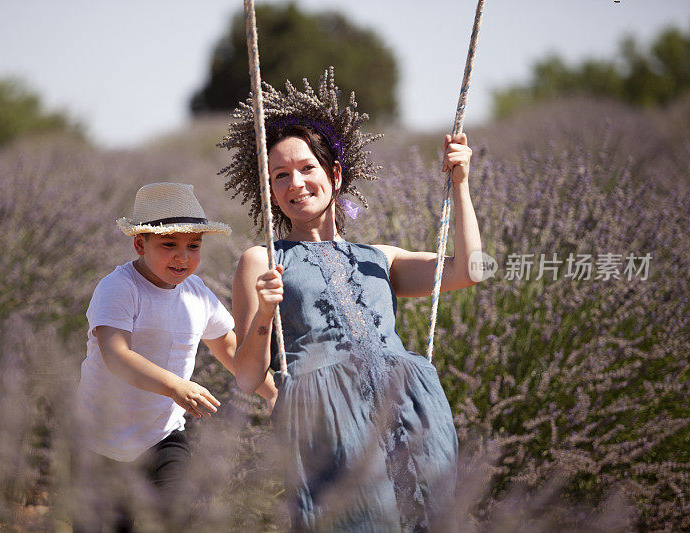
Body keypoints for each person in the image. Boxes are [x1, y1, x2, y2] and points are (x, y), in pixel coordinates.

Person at [221, 68, 482, 531]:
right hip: (325, 419)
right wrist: (264, 313)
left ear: (334, 173)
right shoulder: (260, 260)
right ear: (268, 191)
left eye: (307, 168)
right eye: (280, 176)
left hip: (411, 407)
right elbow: (246, 378)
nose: (295, 183)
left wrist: (460, 183)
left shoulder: (379, 258)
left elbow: (469, 270)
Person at [76, 182, 277, 527]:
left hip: (163, 436)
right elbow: (115, 355)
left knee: (177, 516)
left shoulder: (197, 294)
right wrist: (176, 387)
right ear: (140, 243)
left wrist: (274, 393)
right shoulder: (119, 287)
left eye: (193, 246)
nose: (182, 257)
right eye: (169, 245)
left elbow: (229, 348)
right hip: (98, 444)